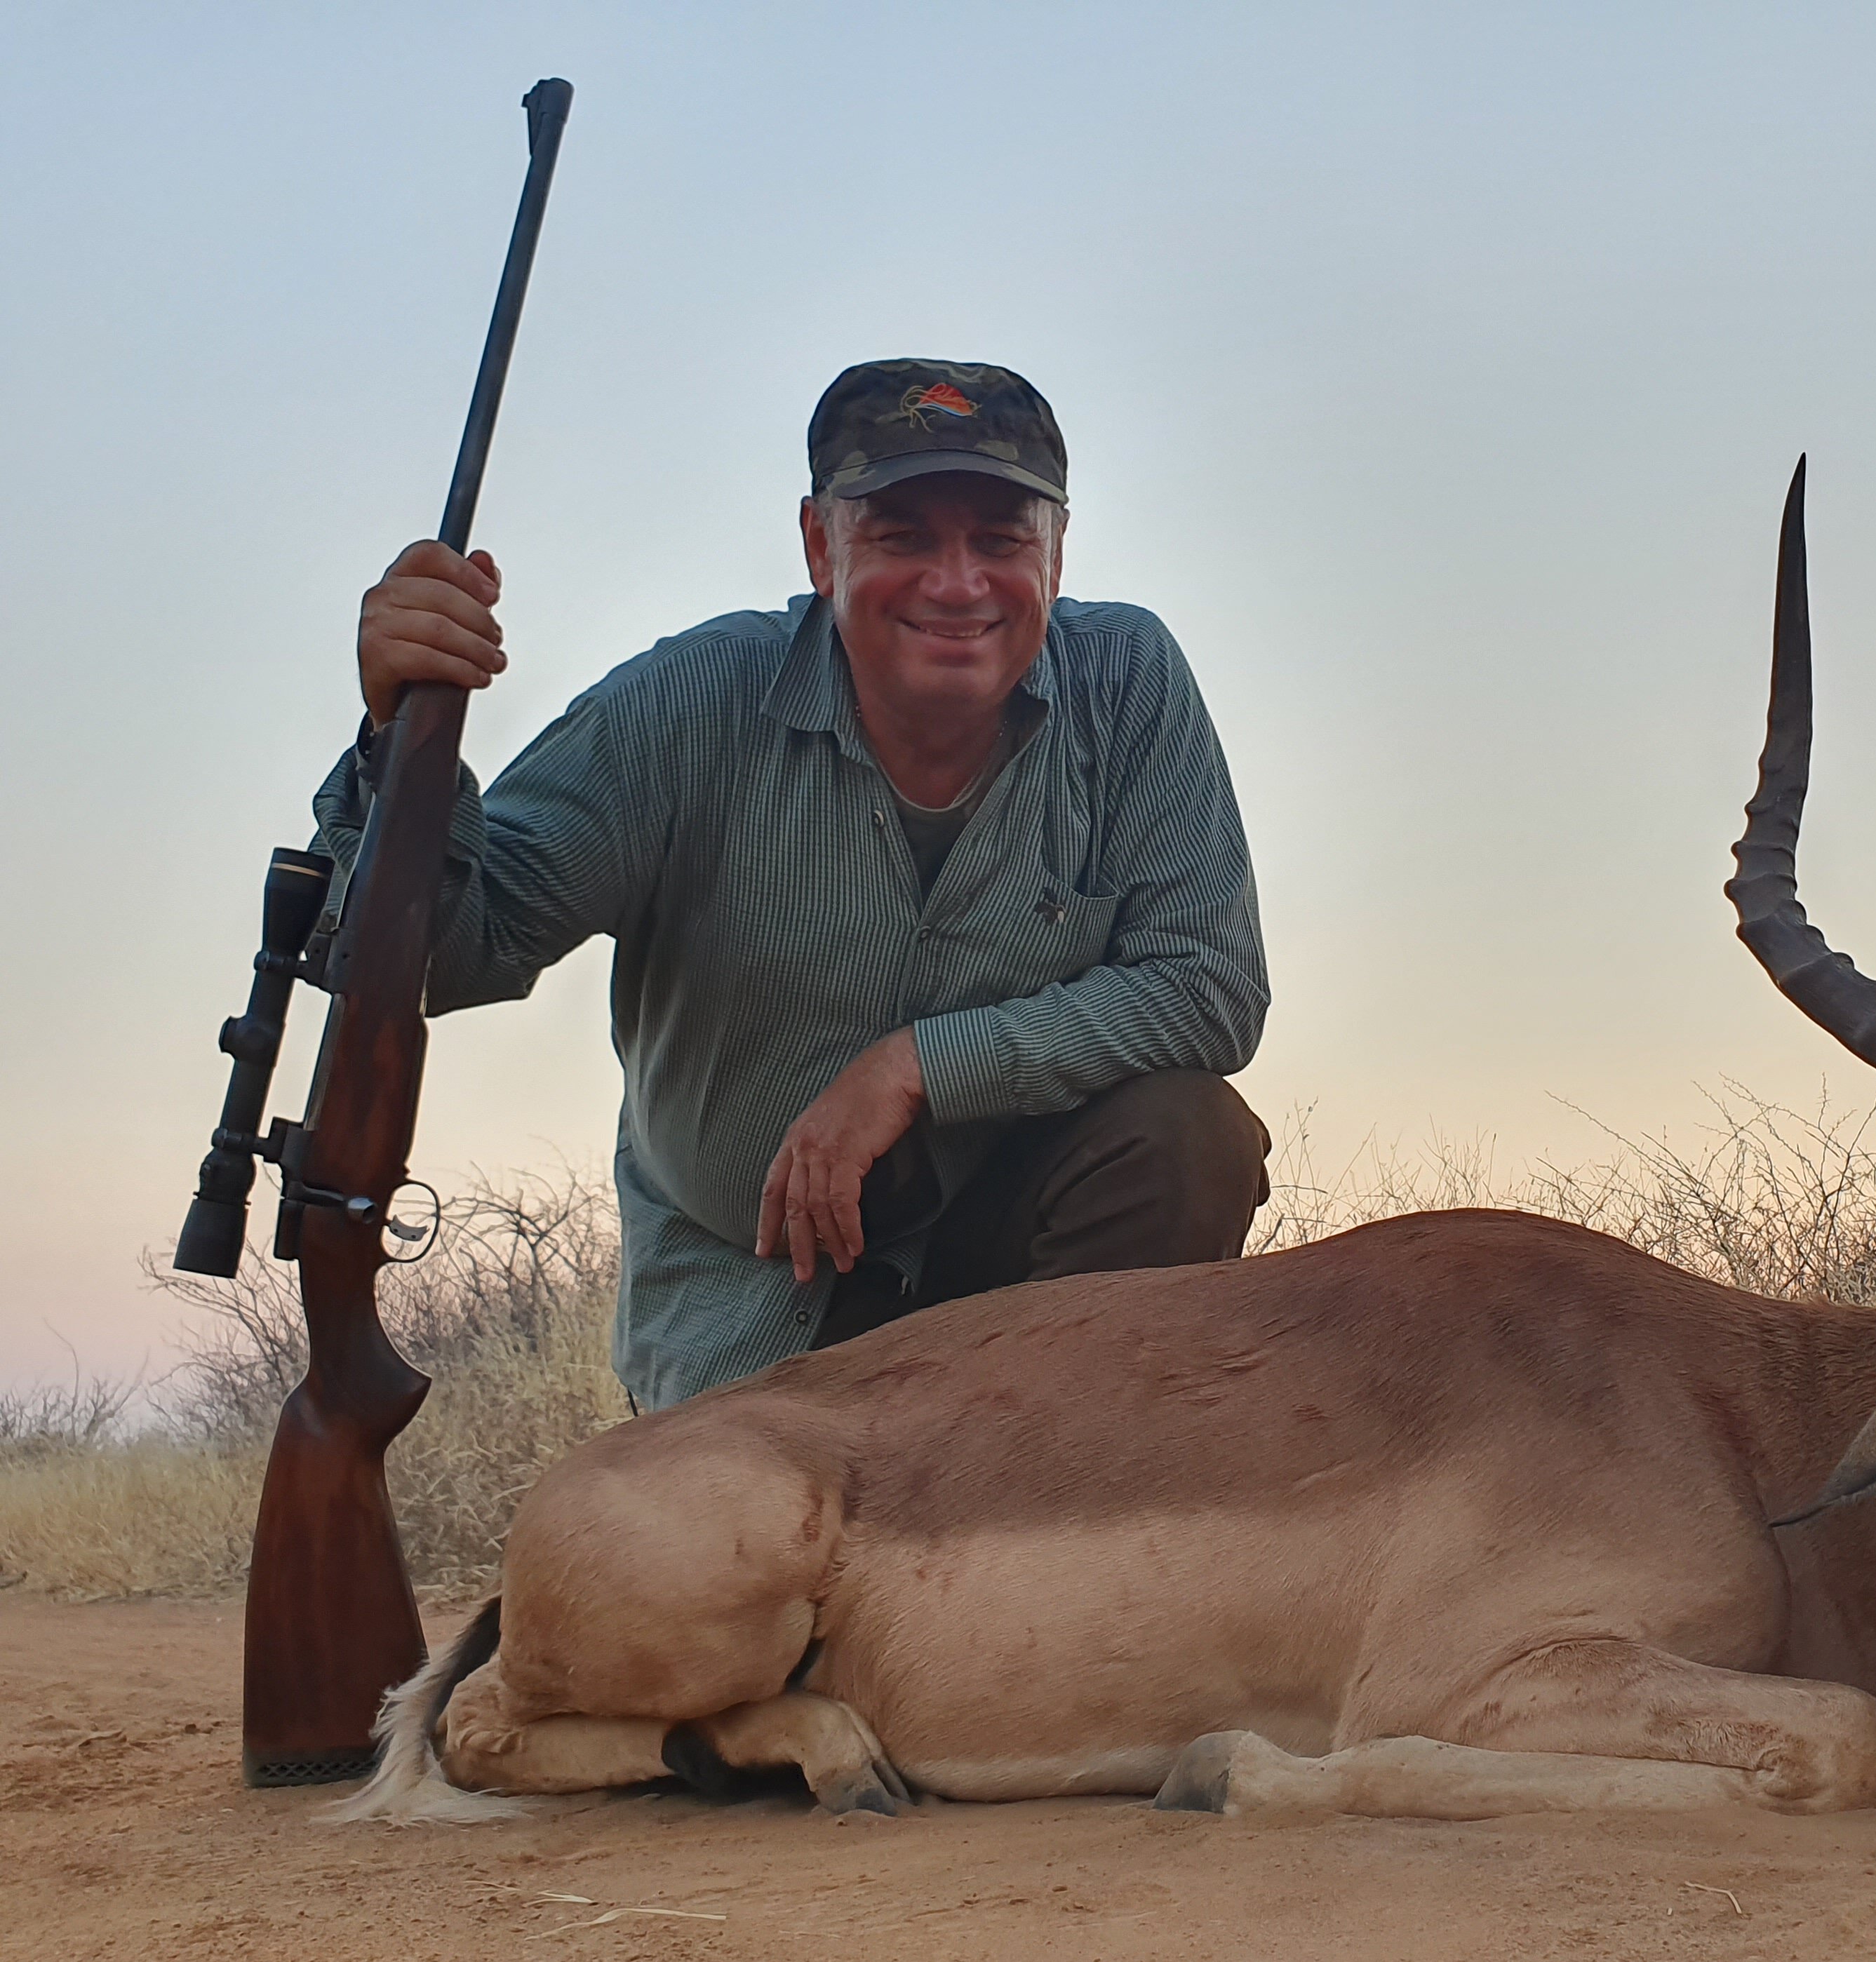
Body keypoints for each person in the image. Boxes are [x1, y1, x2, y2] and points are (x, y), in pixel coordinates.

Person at [319, 358, 1271, 1409]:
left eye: (1000, 540)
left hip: (1023, 1282)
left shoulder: (1130, 679)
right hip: (755, 1298)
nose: (958, 586)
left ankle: (1052, 1484)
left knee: (1190, 1137)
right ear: (822, 546)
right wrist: (397, 743)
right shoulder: (685, 701)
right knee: (719, 1553)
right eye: (903, 536)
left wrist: (911, 1069)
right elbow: (458, 947)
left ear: (1055, 552)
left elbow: (1208, 987)